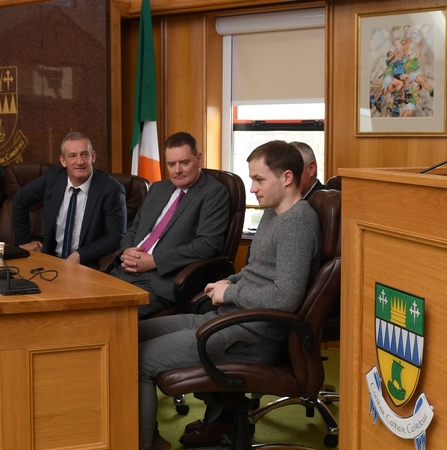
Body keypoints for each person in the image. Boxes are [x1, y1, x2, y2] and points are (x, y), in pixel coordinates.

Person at [137, 140, 321, 450]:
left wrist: (232, 292)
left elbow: (284, 298)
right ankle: (147, 433)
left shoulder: (297, 224)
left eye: (259, 179)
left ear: (287, 177)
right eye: (252, 179)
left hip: (250, 338)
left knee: (139, 360)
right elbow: (257, 272)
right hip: (228, 320)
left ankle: (141, 443)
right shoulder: (274, 213)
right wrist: (229, 280)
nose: (252, 188)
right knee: (131, 333)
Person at [111, 131, 230, 318]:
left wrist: (154, 261)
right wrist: (126, 251)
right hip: (124, 271)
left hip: (161, 281)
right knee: (82, 306)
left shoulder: (214, 193)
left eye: (184, 163)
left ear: (199, 159)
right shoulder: (158, 188)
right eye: (171, 164)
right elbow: (134, 229)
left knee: (110, 314)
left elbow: (208, 244)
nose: (177, 170)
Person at [12, 131, 126, 269]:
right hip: (50, 261)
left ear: (93, 156)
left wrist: (80, 255)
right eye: (72, 156)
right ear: (63, 161)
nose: (80, 161)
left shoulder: (111, 189)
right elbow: (20, 200)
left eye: (85, 154)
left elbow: (115, 237)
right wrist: (24, 241)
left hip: (86, 266)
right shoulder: (52, 178)